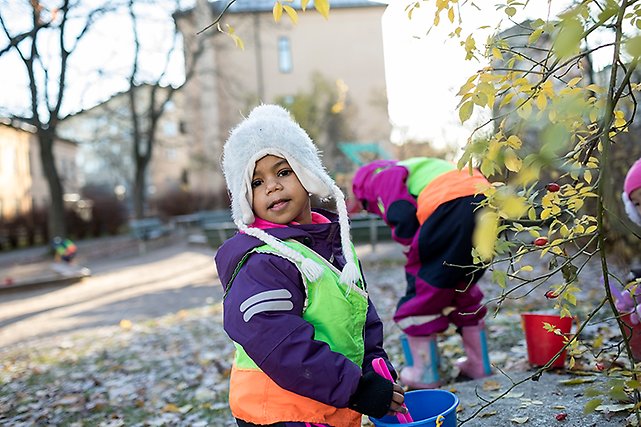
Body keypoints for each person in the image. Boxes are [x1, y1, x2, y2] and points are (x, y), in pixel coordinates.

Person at [214, 104, 406, 427]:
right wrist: (357, 387)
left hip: (328, 406)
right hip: (279, 415)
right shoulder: (262, 261)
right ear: (246, 197)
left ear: (307, 173)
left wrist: (374, 367)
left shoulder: (334, 243)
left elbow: (361, 316)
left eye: (283, 172)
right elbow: (279, 342)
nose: (272, 186)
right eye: (257, 182)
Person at [352, 157, 492, 389]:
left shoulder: (379, 176)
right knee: (460, 282)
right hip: (486, 201)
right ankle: (479, 365)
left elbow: (401, 211)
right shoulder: (419, 168)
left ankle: (424, 373)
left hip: (450, 205)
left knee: (422, 290)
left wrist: (411, 248)